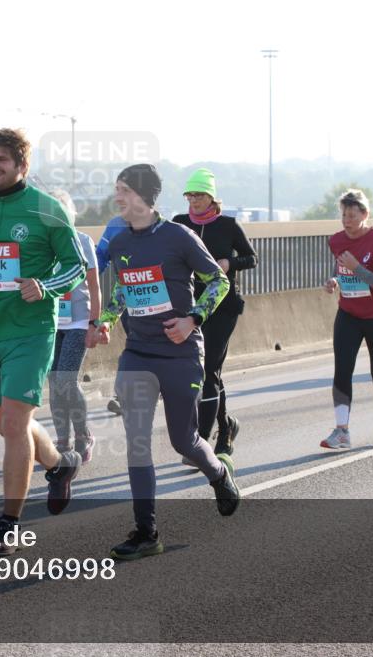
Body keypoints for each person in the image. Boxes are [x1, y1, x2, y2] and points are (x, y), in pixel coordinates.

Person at [87, 164, 240, 561]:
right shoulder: (120, 237)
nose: (117, 197)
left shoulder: (177, 236)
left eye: (122, 190)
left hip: (181, 353)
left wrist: (192, 320)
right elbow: (123, 289)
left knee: (183, 441)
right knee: (137, 443)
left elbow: (219, 282)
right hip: (138, 352)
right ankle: (146, 530)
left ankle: (218, 473)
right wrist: (104, 321)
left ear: (142, 195)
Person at [0, 128, 87, 558]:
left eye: (1, 161)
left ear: (22, 166)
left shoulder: (47, 210)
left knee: (13, 425)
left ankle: (8, 525)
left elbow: (76, 266)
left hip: (30, 334)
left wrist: (43, 286)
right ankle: (62, 465)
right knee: (13, 425)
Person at [173, 168, 257, 458]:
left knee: (209, 370)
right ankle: (226, 425)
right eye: (190, 195)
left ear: (211, 197)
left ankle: (200, 443)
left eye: (199, 195)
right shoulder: (180, 223)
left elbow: (252, 258)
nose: (193, 200)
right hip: (190, 307)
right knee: (203, 373)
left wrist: (229, 263)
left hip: (222, 308)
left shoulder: (229, 225)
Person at [320, 189, 373, 450]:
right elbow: (341, 268)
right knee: (342, 370)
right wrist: (335, 280)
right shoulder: (336, 240)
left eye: (352, 215)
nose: (347, 220)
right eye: (343, 214)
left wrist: (358, 269)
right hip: (349, 314)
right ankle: (342, 431)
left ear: (365, 214)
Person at [47, 190, 99, 464]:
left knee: (66, 379)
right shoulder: (41, 242)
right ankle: (63, 440)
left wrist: (94, 323)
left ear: (70, 213)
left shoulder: (81, 241)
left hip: (79, 320)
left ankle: (83, 435)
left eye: (61, 210)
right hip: (50, 323)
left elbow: (94, 285)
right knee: (54, 383)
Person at [95, 214, 129, 416]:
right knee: (133, 346)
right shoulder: (115, 225)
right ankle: (123, 396)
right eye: (119, 192)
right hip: (128, 298)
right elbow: (100, 256)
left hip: (160, 304)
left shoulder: (163, 227)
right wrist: (83, 280)